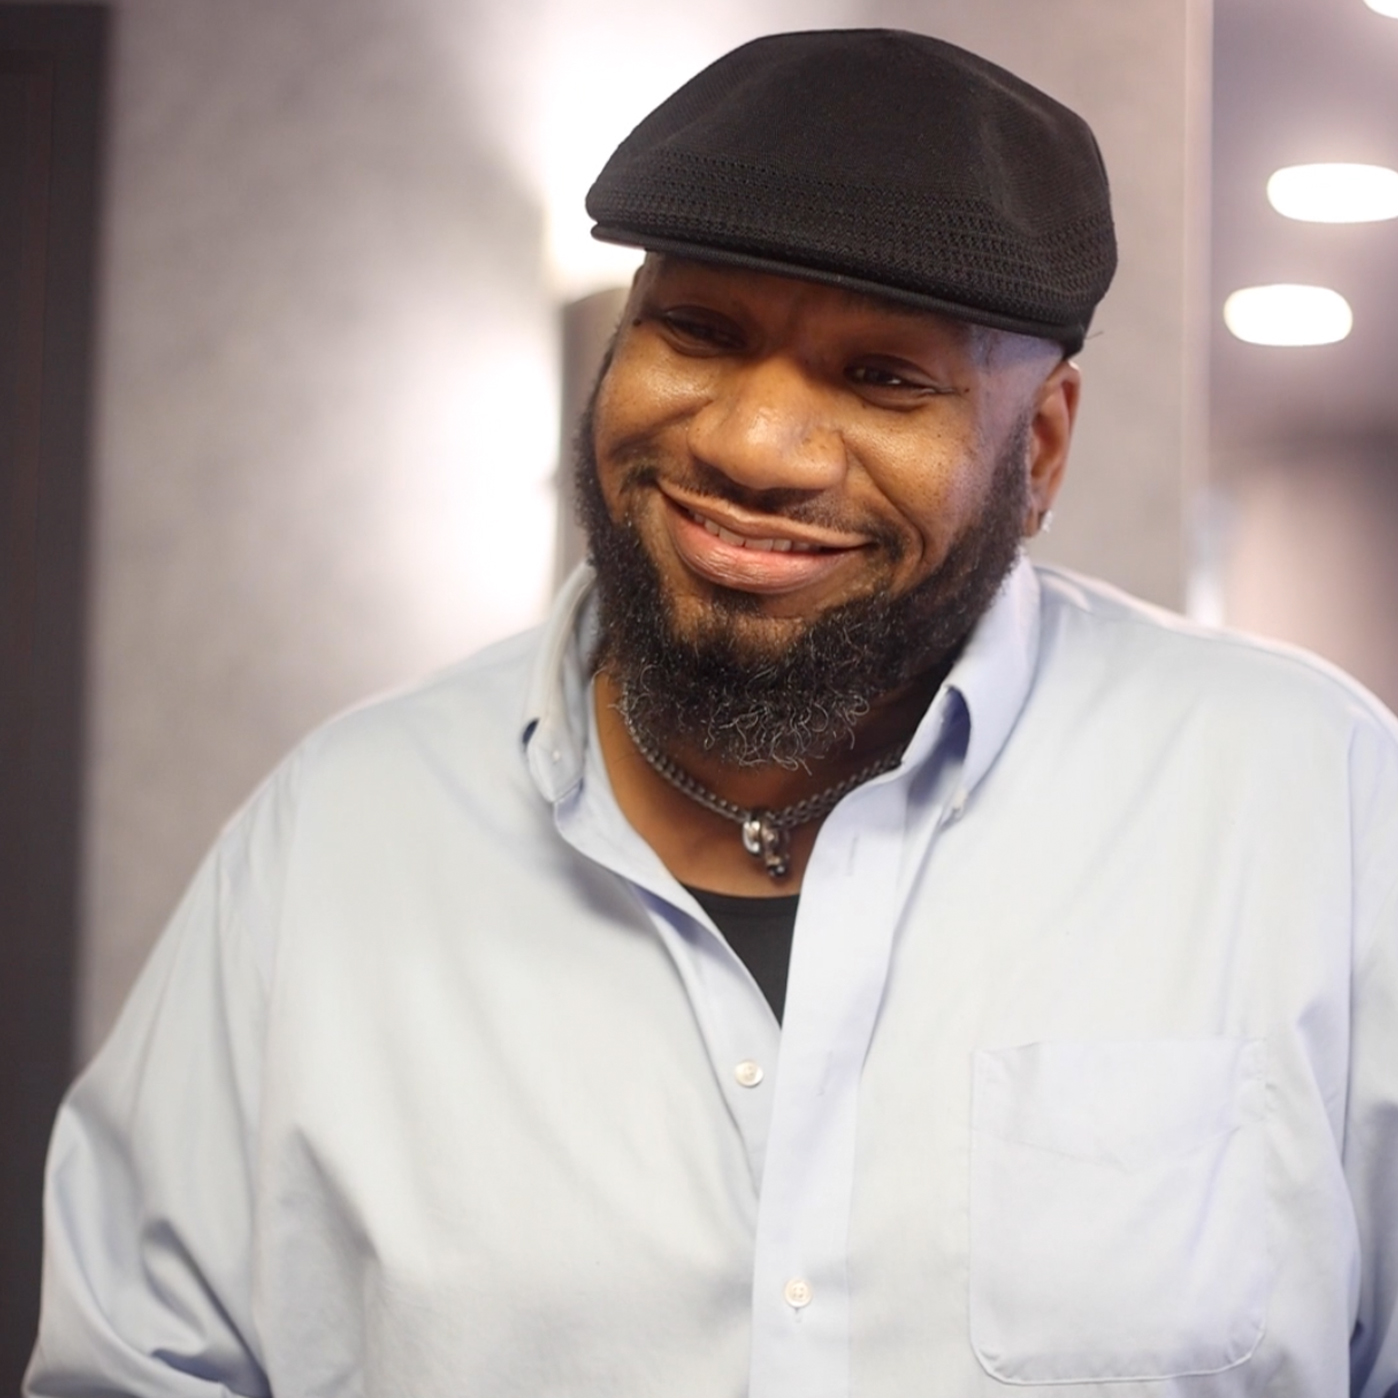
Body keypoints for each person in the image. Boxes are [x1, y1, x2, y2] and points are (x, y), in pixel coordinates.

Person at [25, 28, 1398, 1398]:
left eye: (882, 378)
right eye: (699, 330)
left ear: (1035, 449)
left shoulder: (1309, 806)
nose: (752, 445)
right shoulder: (332, 839)